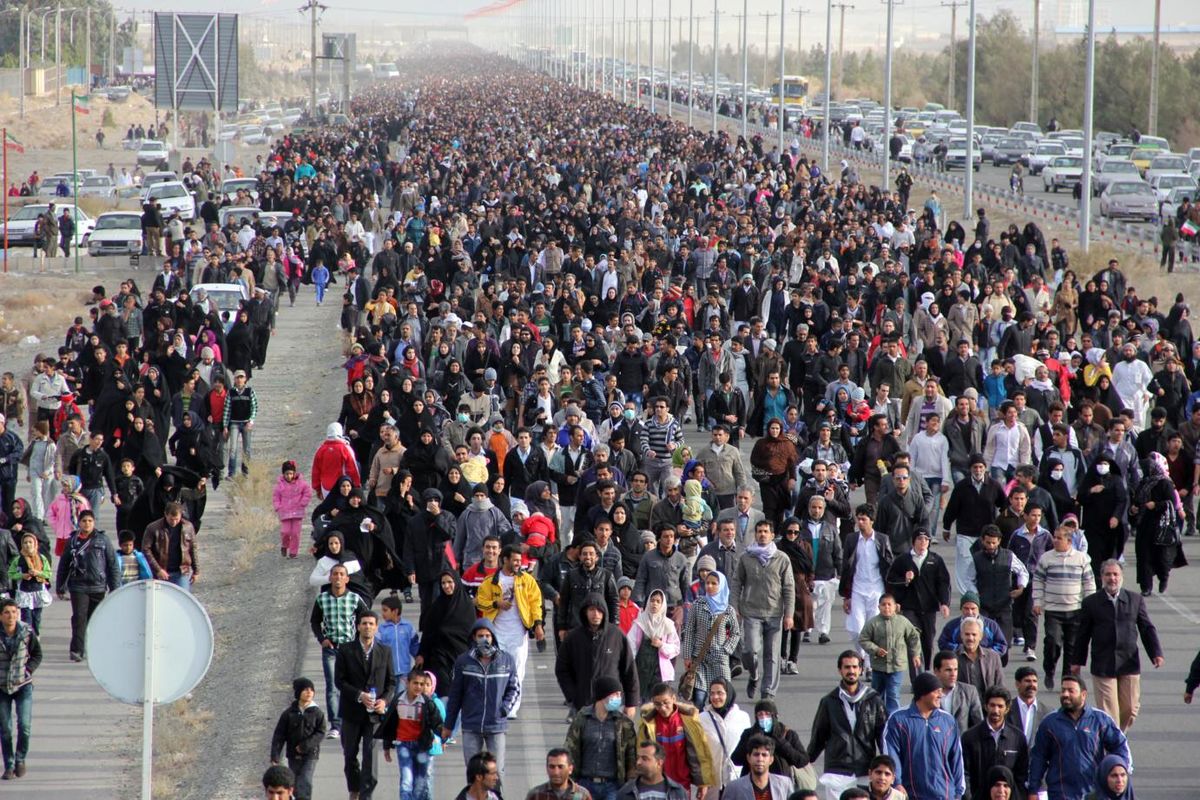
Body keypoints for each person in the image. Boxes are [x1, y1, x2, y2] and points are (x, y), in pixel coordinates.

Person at [1071, 559, 1163, 732]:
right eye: (1108, 574)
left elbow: (1146, 628)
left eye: (1115, 574)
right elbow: (1082, 634)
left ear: (1121, 577)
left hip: (1129, 662)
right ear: (1101, 577)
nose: (1112, 578)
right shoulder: (1091, 603)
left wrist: (1156, 653)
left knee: (1130, 709)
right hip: (1103, 663)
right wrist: (1077, 661)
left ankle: (1118, 737)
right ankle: (1113, 745)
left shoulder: (1134, 600)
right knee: (1108, 713)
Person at [1026, 675, 1130, 800]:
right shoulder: (1049, 723)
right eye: (1063, 690)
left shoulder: (1100, 720)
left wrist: (1119, 773)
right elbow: (1038, 758)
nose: (1065, 694)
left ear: (1083, 695)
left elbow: (1120, 746)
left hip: (1094, 793)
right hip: (1060, 793)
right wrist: (1033, 789)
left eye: (1071, 691)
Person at [442, 619, 520, 774]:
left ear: (493, 638)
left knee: (496, 772)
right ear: (474, 638)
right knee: (473, 772)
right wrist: (448, 726)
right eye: (480, 636)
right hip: (471, 724)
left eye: (488, 635)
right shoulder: (463, 661)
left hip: (496, 725)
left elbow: (514, 689)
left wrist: (504, 709)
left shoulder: (506, 660)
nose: (484, 639)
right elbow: (455, 695)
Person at [475, 544, 545, 715]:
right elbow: (480, 601)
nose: (518, 563)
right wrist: (496, 604)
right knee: (495, 669)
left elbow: (536, 602)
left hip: (518, 633)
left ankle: (511, 707)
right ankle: (496, 702)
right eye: (515, 560)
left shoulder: (527, 580)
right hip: (496, 633)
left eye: (520, 560)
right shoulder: (490, 582)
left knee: (517, 669)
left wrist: (537, 624)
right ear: (504, 559)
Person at [808, 650, 889, 794]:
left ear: (861, 670)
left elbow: (883, 736)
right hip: (837, 770)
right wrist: (806, 761)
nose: (851, 671)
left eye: (854, 667)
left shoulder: (874, 700)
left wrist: (888, 764)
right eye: (847, 667)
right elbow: (819, 736)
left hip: (864, 770)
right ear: (840, 670)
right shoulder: (829, 702)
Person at [731, 519, 795, 701]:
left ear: (772, 535)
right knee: (750, 650)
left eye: (766, 531)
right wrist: (734, 607)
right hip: (751, 612)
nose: (762, 534)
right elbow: (737, 583)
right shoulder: (746, 557)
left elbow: (789, 587)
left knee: (772, 655)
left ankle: (768, 693)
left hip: (775, 613)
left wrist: (789, 614)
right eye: (759, 531)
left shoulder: (781, 558)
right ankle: (754, 675)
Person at [335, 610, 395, 800]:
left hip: (374, 715)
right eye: (364, 623)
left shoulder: (385, 651)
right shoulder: (345, 650)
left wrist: (384, 701)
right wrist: (359, 695)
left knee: (370, 758)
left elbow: (391, 682)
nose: (367, 627)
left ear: (376, 627)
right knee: (350, 754)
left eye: (371, 623)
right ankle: (354, 789)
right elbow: (340, 681)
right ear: (358, 626)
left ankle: (366, 796)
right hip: (352, 713)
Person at [882, 671, 965, 800]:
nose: (941, 695)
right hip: (910, 794)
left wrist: (958, 792)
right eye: (936, 691)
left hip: (945, 795)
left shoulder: (948, 721)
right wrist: (897, 783)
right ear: (922, 694)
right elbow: (891, 754)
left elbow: (957, 759)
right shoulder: (898, 719)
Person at [1032, 526, 1095, 688]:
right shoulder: (1046, 558)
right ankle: (1049, 670)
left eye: (1059, 538)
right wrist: (1037, 602)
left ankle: (1067, 680)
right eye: (1054, 537)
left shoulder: (1081, 559)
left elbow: (1089, 583)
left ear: (1069, 541)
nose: (1055, 540)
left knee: (1072, 648)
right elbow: (1038, 580)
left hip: (1075, 611)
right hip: (1054, 610)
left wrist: (1090, 607)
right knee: (1053, 642)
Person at [53, 509, 120, 662]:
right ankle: (77, 650)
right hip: (78, 586)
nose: (87, 524)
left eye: (90, 521)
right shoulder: (73, 541)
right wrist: (60, 586)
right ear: (79, 522)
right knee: (79, 618)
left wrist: (114, 587)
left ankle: (94, 648)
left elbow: (112, 564)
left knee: (95, 619)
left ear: (94, 522)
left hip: (98, 586)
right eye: (84, 521)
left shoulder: (103, 540)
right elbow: (64, 564)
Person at [310, 564, 368, 739]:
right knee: (332, 687)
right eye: (335, 574)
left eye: (341, 574)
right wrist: (322, 639)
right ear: (330, 578)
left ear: (347, 578)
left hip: (349, 649)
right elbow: (314, 621)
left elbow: (366, 618)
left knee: (352, 685)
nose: (338, 577)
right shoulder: (322, 599)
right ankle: (335, 724)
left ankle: (353, 720)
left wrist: (360, 640)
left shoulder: (355, 599)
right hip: (331, 649)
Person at [557, 594, 639, 716]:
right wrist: (573, 696)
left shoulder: (616, 635)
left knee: (613, 735)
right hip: (583, 704)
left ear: (605, 612)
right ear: (585, 612)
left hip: (612, 703)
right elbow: (562, 669)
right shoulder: (573, 638)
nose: (596, 614)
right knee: (586, 734)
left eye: (599, 610)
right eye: (592, 610)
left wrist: (631, 702)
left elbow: (629, 670)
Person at [635, 681, 718, 796]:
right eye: (657, 704)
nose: (662, 708)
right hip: (656, 784)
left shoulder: (689, 721)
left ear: (673, 699)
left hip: (682, 784)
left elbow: (700, 753)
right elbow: (641, 755)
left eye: (666, 703)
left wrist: (703, 783)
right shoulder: (648, 724)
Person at [565, 675, 639, 800]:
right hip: (583, 784)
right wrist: (570, 781)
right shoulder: (582, 718)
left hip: (613, 786)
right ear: (603, 696)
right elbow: (570, 750)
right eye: (615, 694)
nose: (619, 698)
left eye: (619, 694)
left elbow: (631, 755)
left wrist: (630, 784)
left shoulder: (623, 723)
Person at [375, 669, 445, 800]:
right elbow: (390, 723)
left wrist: (443, 738)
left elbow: (437, 723)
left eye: (422, 684)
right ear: (407, 683)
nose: (418, 687)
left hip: (422, 746)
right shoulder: (398, 700)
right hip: (404, 745)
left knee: (420, 783)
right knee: (406, 781)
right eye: (415, 683)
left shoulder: (427, 703)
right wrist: (387, 746)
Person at [885, 528, 950, 668]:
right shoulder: (903, 560)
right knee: (913, 640)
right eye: (920, 539)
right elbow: (890, 580)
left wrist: (944, 603)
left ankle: (926, 671)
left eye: (926, 540)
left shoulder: (935, 560)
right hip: (909, 607)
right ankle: (916, 678)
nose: (923, 543)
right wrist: (904, 580)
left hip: (929, 607)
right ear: (913, 541)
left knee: (928, 641)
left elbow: (943, 582)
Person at [840, 504, 893, 662]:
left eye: (864, 519)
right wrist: (846, 596)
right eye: (858, 518)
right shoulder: (851, 539)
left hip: (877, 591)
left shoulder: (882, 540)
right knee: (856, 630)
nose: (860, 522)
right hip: (857, 590)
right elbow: (846, 568)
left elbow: (889, 567)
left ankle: (870, 665)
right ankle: (862, 656)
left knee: (874, 630)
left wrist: (891, 596)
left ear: (872, 521)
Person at [681, 571, 742, 709]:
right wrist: (687, 656)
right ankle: (699, 728)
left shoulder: (728, 609)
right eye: (708, 583)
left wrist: (725, 650)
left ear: (721, 586)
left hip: (719, 660)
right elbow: (690, 630)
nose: (709, 586)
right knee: (699, 699)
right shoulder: (698, 604)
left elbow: (735, 633)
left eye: (714, 583)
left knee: (721, 699)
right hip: (699, 659)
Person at [961, 686, 1029, 800]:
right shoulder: (970, 737)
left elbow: (1022, 774)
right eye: (992, 705)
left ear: (1007, 709)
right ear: (985, 706)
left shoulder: (1018, 737)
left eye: (1000, 706)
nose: (996, 710)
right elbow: (965, 773)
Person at [858, 593, 922, 714]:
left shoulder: (902, 622)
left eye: (889, 604)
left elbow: (914, 637)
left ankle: (892, 718)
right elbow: (863, 639)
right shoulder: (873, 623)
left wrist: (915, 654)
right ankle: (877, 716)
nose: (886, 607)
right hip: (878, 666)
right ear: (878, 607)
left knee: (893, 693)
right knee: (877, 694)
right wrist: (875, 649)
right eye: (883, 605)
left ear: (895, 607)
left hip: (897, 666)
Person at [0, 599, 40, 780]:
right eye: (7, 612)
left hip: (22, 686)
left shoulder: (26, 632)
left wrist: (28, 670)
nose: (11, 616)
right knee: (6, 728)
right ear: (1, 615)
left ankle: (20, 759)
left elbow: (37, 654)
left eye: (14, 612)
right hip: (1, 687)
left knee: (24, 726)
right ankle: (8, 765)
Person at [269, 677, 327, 800]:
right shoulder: (288, 713)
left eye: (311, 690)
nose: (309, 692)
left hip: (310, 755)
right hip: (293, 755)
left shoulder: (317, 713)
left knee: (305, 781)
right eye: (305, 689)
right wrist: (275, 756)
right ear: (298, 692)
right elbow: (279, 735)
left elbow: (321, 732)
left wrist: (305, 746)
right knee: (294, 783)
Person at [697, 678, 753, 789]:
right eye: (712, 693)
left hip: (737, 778)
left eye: (720, 693)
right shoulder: (702, 718)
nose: (715, 697)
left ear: (729, 694)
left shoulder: (742, 717)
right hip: (712, 782)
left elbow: (749, 746)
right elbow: (699, 750)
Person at [627, 589, 681, 702]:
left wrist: (661, 645)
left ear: (662, 604)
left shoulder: (668, 625)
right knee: (645, 707)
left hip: (660, 673)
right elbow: (630, 645)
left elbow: (675, 648)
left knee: (659, 704)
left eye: (658, 601)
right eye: (652, 600)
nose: (654, 604)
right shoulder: (640, 622)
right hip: (642, 670)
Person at [141, 501, 199, 591]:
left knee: (181, 600)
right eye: (171, 519)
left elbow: (193, 549)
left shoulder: (188, 527)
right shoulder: (153, 528)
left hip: (181, 572)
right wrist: (158, 569)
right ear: (166, 514)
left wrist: (196, 571)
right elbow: (146, 549)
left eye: (177, 519)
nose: (174, 522)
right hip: (161, 572)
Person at [721, 735, 794, 800]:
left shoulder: (784, 784)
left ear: (771, 760)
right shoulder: (734, 788)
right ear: (748, 758)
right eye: (756, 754)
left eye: (764, 755)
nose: (760, 759)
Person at [614, 742, 689, 800]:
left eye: (644, 758)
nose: (638, 762)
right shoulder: (626, 792)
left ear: (659, 763)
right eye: (638, 758)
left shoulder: (678, 792)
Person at [934, 649, 983, 733]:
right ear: (937, 671)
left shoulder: (969, 692)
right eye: (948, 670)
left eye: (955, 669)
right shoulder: (927, 694)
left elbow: (979, 724)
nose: (953, 674)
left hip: (961, 743)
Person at [273, 460, 314, 559]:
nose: (289, 476)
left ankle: (293, 552)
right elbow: (276, 497)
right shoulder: (280, 485)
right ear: (283, 474)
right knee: (285, 532)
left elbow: (308, 492)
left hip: (297, 512)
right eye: (286, 474)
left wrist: (303, 503)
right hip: (285, 512)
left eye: (291, 473)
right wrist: (278, 507)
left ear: (294, 473)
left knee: (295, 533)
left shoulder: (301, 483)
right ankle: (284, 545)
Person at [526, 748, 593, 800]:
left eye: (561, 767)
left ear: (570, 769)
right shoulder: (536, 795)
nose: (556, 772)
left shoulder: (582, 795)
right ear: (546, 768)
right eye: (552, 767)